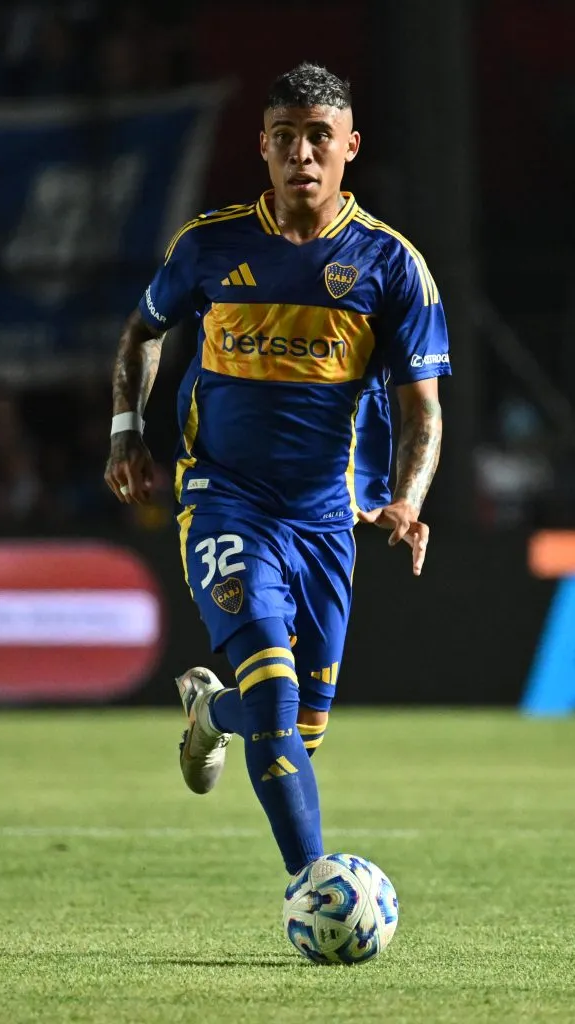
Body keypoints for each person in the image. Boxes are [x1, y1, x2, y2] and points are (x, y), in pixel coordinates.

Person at [105, 63, 450, 878]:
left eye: (319, 137)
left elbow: (421, 408)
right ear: (262, 146)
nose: (302, 152)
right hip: (224, 500)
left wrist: (404, 499)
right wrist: (127, 432)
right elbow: (140, 335)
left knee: (298, 725)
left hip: (325, 517)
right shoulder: (209, 246)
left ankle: (207, 712)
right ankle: (314, 885)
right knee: (274, 695)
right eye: (286, 137)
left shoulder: (390, 267)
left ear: (349, 147)